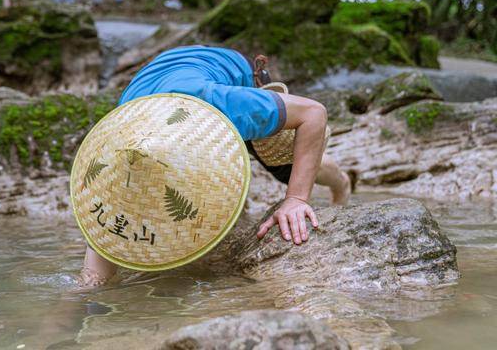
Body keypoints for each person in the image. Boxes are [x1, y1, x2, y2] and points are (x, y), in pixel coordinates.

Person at [74, 45, 352, 286]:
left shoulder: (224, 105)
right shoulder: (127, 150)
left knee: (283, 163)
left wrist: (295, 199)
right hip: (156, 76)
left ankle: (342, 183)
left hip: (225, 71)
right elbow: (100, 254)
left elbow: (314, 113)